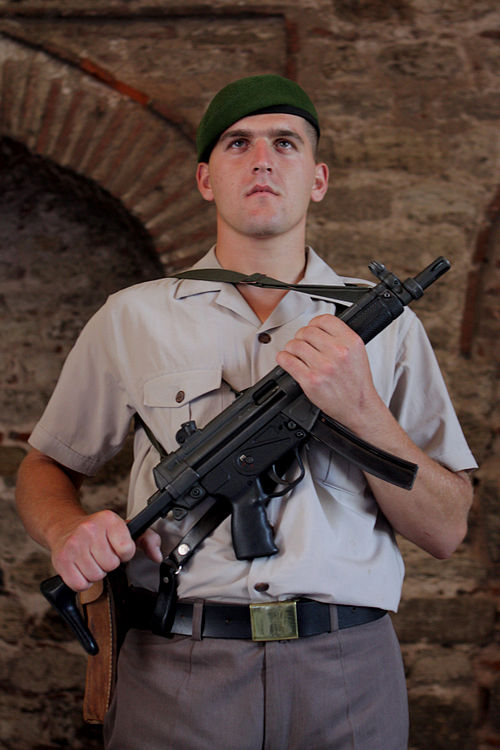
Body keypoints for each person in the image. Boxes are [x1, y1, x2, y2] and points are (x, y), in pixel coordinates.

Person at [16, 74, 476, 749]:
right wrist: (66, 532)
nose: (263, 160)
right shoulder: (133, 317)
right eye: (238, 144)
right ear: (206, 179)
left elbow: (447, 530)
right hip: (178, 667)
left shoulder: (386, 330)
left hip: (345, 668)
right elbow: (45, 465)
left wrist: (362, 410)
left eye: (285, 143)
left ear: (317, 179)